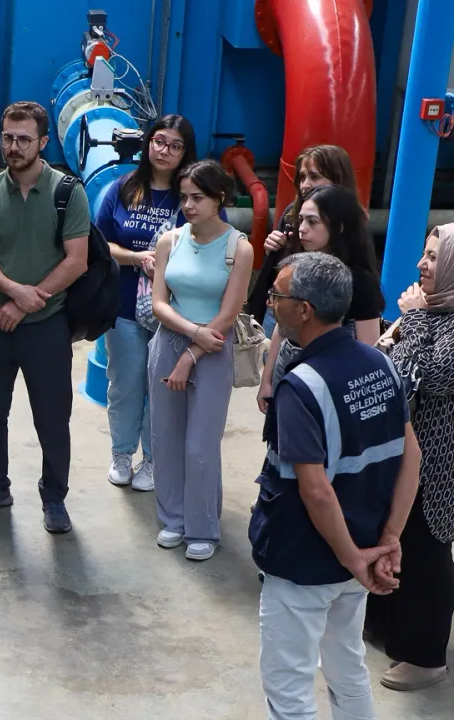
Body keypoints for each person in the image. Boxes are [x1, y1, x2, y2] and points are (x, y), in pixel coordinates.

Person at [250, 252, 420, 719]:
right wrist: (386, 542)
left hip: (305, 559)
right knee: (347, 668)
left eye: (277, 296)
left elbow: (316, 491)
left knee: (289, 689)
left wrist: (351, 557)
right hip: (362, 549)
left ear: (304, 309)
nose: (271, 304)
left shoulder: (301, 387)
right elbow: (412, 457)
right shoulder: (381, 364)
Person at [0, 101, 90, 534]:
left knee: (52, 418)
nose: (13, 147)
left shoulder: (68, 192)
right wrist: (15, 293)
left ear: (44, 142)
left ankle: (54, 497)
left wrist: (29, 302)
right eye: (7, 138)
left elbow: (77, 260)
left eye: (23, 139)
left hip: (47, 326)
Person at [147, 160, 253, 561]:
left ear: (219, 198)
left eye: (198, 198)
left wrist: (193, 352)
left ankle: (203, 527)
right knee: (165, 437)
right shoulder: (169, 241)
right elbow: (159, 303)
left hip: (213, 346)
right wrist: (191, 334)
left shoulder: (238, 248)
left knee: (200, 445)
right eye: (184, 198)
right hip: (172, 340)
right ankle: (173, 518)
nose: (188, 205)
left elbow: (229, 313)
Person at [95, 114, 204, 493]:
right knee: (124, 384)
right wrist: (137, 257)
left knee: (162, 389)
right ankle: (121, 454)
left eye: (175, 145)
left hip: (176, 312)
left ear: (186, 152)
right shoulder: (123, 188)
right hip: (124, 306)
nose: (165, 151)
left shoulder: (194, 192)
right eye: (159, 141)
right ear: (148, 143)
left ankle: (155, 459)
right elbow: (99, 244)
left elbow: (216, 239)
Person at [366, 224, 454, 691]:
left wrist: (413, 321)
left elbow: (433, 377)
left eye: (434, 257)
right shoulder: (429, 311)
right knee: (396, 539)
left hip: (439, 465)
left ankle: (426, 657)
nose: (422, 264)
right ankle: (391, 631)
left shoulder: (430, 315)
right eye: (424, 254)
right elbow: (394, 370)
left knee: (425, 551)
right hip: (402, 457)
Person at [257, 184, 383, 414]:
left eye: (312, 222)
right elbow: (281, 327)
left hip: (335, 379)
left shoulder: (360, 281)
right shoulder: (295, 265)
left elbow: (369, 348)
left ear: (339, 226)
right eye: (300, 220)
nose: (302, 229)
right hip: (287, 368)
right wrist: (267, 379)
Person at [245, 144, 357, 335]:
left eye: (314, 177)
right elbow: (279, 269)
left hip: (324, 313)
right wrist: (274, 248)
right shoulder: (291, 213)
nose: (305, 184)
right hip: (282, 306)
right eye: (302, 177)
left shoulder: (352, 222)